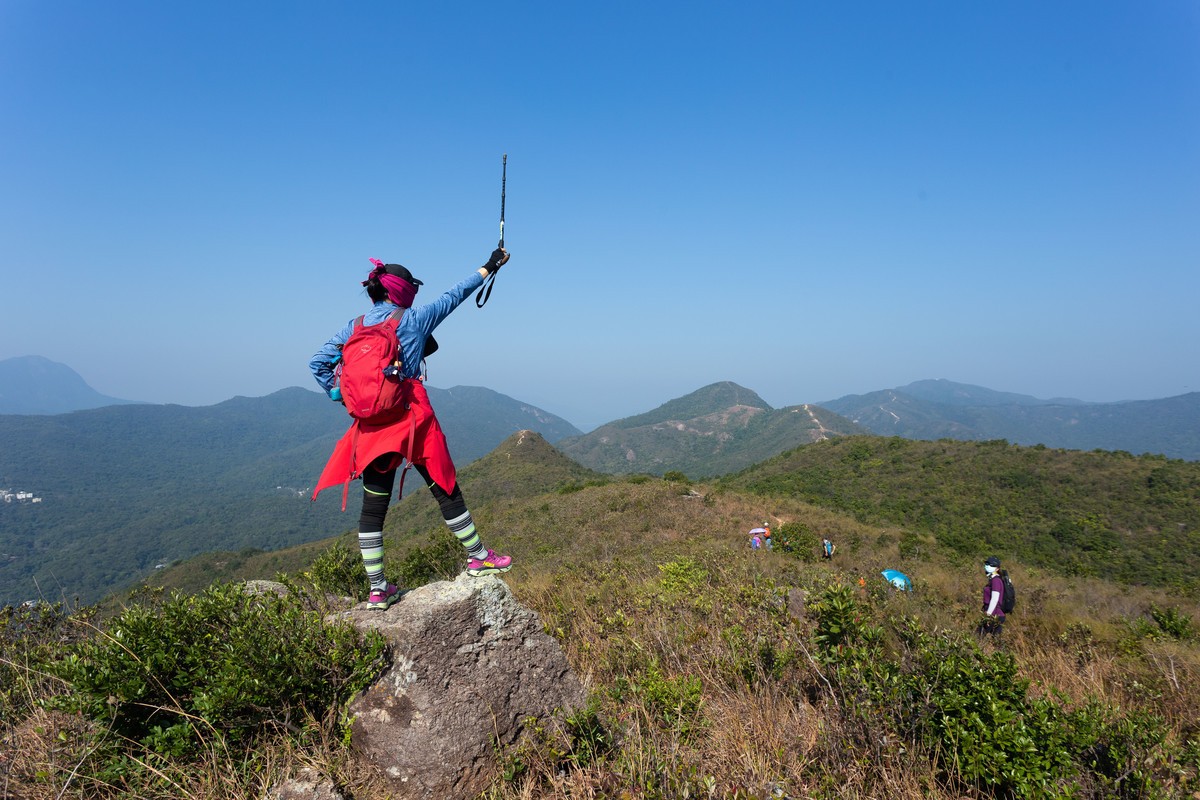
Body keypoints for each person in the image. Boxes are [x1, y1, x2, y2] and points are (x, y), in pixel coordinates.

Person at [309, 248, 513, 610]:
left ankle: (377, 590)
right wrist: (490, 266)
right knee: (444, 485)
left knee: (373, 507)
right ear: (403, 291)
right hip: (412, 418)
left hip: (372, 427)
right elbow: (456, 295)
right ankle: (478, 557)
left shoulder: (355, 327)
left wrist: (341, 395)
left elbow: (318, 363)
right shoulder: (414, 319)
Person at [977, 556, 1006, 636]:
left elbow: (994, 599)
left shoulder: (996, 581)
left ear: (997, 569)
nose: (988, 566)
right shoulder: (993, 580)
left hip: (995, 615)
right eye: (987, 563)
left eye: (991, 565)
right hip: (995, 614)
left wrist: (988, 615)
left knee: (978, 636)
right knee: (996, 641)